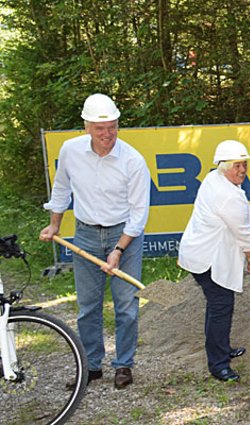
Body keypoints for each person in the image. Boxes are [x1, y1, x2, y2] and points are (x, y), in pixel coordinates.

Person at [39, 93, 150, 389]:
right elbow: (61, 189)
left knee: (126, 305)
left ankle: (124, 364)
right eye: (100, 128)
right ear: (86, 126)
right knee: (88, 306)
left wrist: (118, 250)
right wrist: (54, 226)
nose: (107, 134)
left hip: (123, 234)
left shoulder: (133, 161)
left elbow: (139, 214)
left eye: (112, 127)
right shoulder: (71, 151)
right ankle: (91, 365)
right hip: (85, 234)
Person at [178, 140, 250, 382]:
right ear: (223, 166)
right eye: (237, 166)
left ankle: (220, 348)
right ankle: (218, 364)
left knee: (217, 305)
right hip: (207, 259)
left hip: (200, 252)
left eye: (244, 165)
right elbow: (245, 235)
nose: (242, 170)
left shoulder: (213, 178)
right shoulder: (228, 196)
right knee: (221, 306)